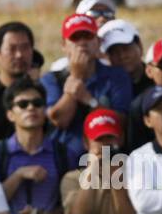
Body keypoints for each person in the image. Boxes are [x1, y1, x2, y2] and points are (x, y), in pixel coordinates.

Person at [43, 13, 133, 161]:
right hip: (64, 162)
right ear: (64, 46)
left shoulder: (117, 76)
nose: (82, 43)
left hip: (107, 162)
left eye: (87, 36)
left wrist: (89, 101)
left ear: (98, 42)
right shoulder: (51, 79)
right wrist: (76, 77)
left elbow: (121, 122)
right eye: (75, 38)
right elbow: (59, 120)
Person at [0, 78, 74, 214]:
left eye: (37, 103)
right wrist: (18, 175)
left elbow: (72, 208)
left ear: (45, 111)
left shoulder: (64, 154)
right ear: (10, 114)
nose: (31, 108)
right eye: (23, 104)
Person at [100, 19, 151, 97]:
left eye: (126, 48)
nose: (122, 56)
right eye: (113, 51)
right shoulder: (102, 89)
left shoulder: (158, 78)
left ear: (139, 46)